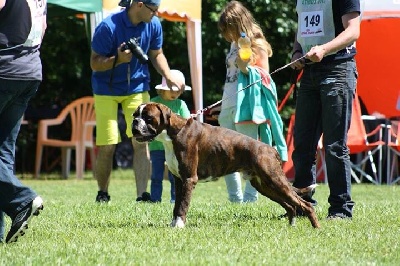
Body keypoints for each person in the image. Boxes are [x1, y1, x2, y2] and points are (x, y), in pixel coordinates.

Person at [90, 0, 184, 203]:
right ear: (139, 5)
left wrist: (168, 76)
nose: (156, 14)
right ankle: (102, 193)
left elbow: (156, 53)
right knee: (108, 144)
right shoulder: (108, 27)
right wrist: (117, 59)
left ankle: (142, 196)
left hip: (137, 87)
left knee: (141, 141)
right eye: (153, 10)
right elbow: (94, 62)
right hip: (106, 89)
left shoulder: (154, 24)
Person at [289, 0, 361, 219]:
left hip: (338, 68)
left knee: (335, 146)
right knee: (302, 144)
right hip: (310, 73)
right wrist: (296, 52)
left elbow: (353, 31)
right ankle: (302, 205)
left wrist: (324, 48)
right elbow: (302, 28)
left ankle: (341, 209)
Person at [217, 1, 288, 203]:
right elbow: (230, 76)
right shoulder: (233, 44)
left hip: (246, 107)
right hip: (228, 104)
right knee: (225, 155)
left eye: (228, 29)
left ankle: (250, 199)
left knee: (249, 156)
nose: (226, 35)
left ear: (238, 23)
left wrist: (246, 67)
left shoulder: (257, 44)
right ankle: (234, 200)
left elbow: (266, 78)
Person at [0, 0, 46, 243]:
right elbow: (43, 27)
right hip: (29, 71)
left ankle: (21, 200)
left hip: (4, 68)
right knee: (2, 154)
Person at [149, 69, 191, 203]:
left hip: (174, 147)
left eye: (178, 91)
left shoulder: (181, 105)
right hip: (157, 146)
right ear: (162, 89)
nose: (175, 93)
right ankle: (155, 199)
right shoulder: (153, 103)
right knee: (156, 175)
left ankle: (175, 199)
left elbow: (187, 122)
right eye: (172, 89)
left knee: (175, 176)